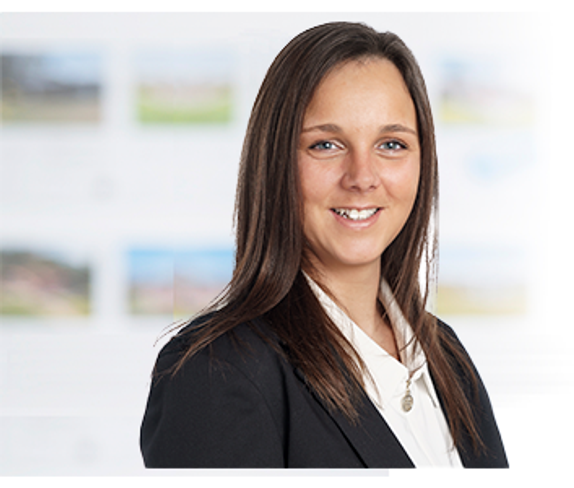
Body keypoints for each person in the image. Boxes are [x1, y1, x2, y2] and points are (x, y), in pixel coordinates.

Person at [139, 21, 508, 469]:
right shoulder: (216, 373)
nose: (362, 177)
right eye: (326, 145)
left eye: (391, 144)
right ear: (275, 161)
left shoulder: (446, 356)